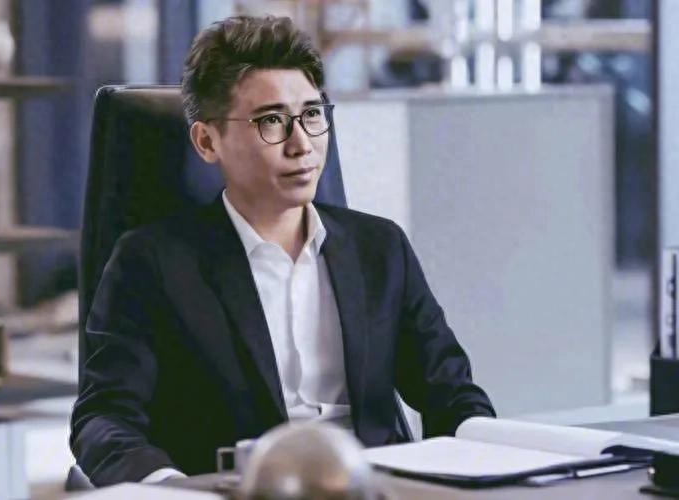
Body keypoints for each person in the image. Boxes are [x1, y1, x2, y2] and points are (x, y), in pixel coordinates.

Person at [70, 15, 494, 486]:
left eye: (312, 115)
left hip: (372, 488)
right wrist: (174, 491)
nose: (302, 144)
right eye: (271, 120)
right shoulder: (152, 263)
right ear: (207, 141)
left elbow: (452, 394)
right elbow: (104, 419)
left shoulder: (380, 248)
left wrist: (485, 456)